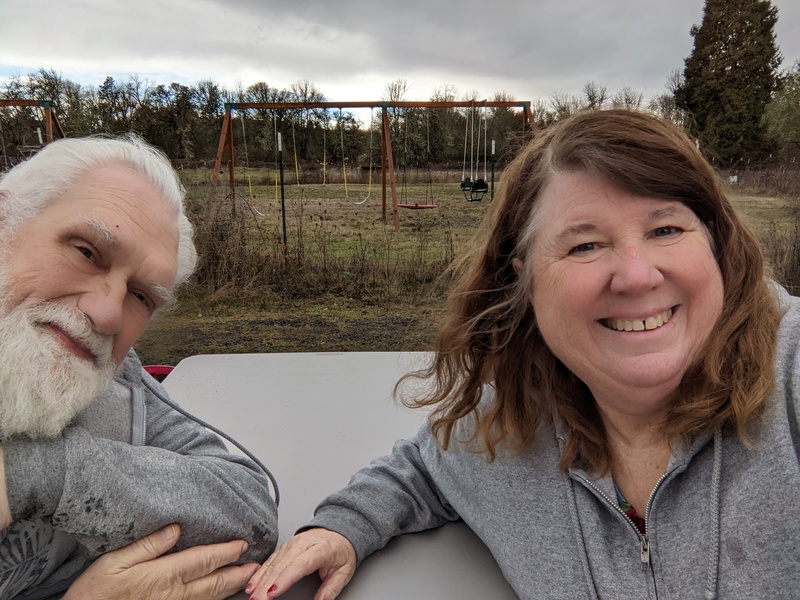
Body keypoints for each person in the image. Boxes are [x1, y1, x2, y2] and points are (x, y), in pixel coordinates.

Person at [246, 108, 800, 600]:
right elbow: (422, 468)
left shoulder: (790, 373)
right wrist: (341, 528)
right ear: (526, 280)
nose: (636, 274)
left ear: (717, 246)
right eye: (585, 244)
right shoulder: (511, 422)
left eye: (667, 228)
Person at [0, 135, 278, 599]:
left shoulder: (109, 380)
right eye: (87, 252)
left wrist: (29, 474)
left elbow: (250, 509)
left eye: (141, 296)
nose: (108, 316)